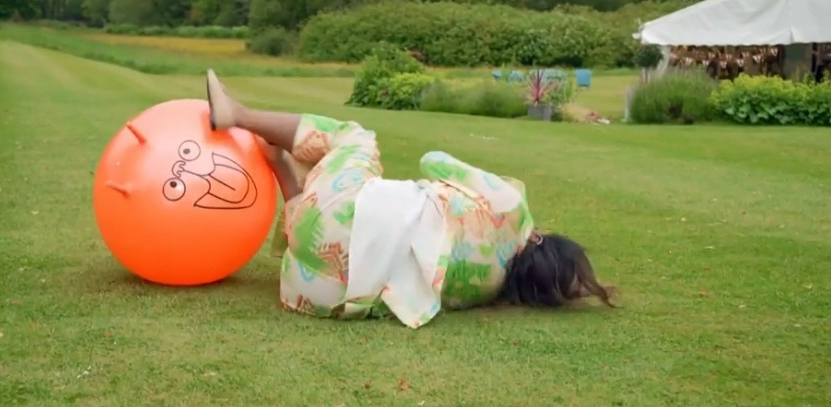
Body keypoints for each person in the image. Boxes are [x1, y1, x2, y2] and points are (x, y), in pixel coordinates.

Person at [204, 69, 616, 328]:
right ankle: (279, 163)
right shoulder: (487, 290)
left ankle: (237, 114)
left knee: (356, 138)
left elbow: (433, 160)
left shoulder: (511, 206)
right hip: (316, 294)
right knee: (345, 230)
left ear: (542, 239)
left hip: (339, 213)